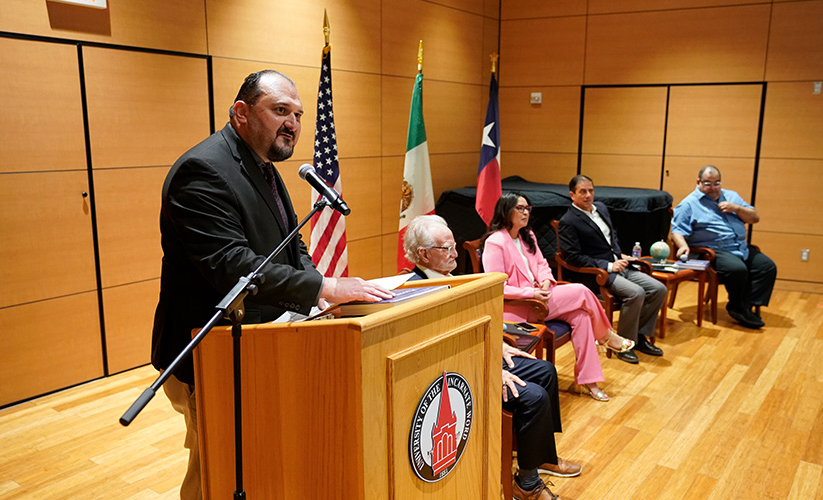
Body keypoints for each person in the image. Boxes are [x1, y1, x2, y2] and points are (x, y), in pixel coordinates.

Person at [151, 70, 392, 500]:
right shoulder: (202, 171)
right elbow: (234, 266)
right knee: (217, 470)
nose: (292, 124)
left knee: (256, 462)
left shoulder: (262, 163)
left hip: (263, 344)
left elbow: (291, 241)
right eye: (280, 110)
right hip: (211, 350)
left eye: (297, 115)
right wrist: (324, 287)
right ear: (241, 112)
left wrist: (316, 292)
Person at [403, 215, 581, 500]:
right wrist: (490, 371)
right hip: (457, 374)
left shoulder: (452, 279)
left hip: (481, 356)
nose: (455, 254)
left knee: (545, 371)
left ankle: (540, 456)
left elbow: (472, 325)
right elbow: (439, 353)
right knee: (534, 397)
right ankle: (527, 485)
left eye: (454, 246)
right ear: (423, 254)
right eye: (446, 249)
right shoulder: (416, 292)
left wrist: (499, 346)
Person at [480, 193, 635, 402]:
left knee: (581, 316)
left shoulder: (527, 235)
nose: (526, 212)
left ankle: (589, 381)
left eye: (528, 208)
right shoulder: (495, 242)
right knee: (581, 291)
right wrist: (532, 293)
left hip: (541, 297)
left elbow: (542, 264)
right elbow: (497, 286)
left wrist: (545, 281)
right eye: (520, 208)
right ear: (505, 211)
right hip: (521, 305)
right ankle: (606, 336)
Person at [557, 175, 666, 364]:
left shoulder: (601, 208)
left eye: (591, 190)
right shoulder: (569, 221)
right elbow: (573, 257)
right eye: (583, 191)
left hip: (619, 264)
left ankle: (639, 337)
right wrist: (608, 265)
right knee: (636, 293)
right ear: (572, 195)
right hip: (597, 273)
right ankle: (623, 344)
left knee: (659, 289)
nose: (588, 195)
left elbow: (612, 237)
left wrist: (619, 254)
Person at [670, 165, 776, 329]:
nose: (713, 188)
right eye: (707, 183)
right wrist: (683, 246)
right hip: (713, 250)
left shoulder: (731, 196)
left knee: (767, 267)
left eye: (717, 183)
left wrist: (737, 208)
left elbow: (754, 218)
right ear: (698, 182)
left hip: (739, 246)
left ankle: (745, 306)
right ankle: (737, 307)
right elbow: (676, 230)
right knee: (737, 269)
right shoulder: (689, 204)